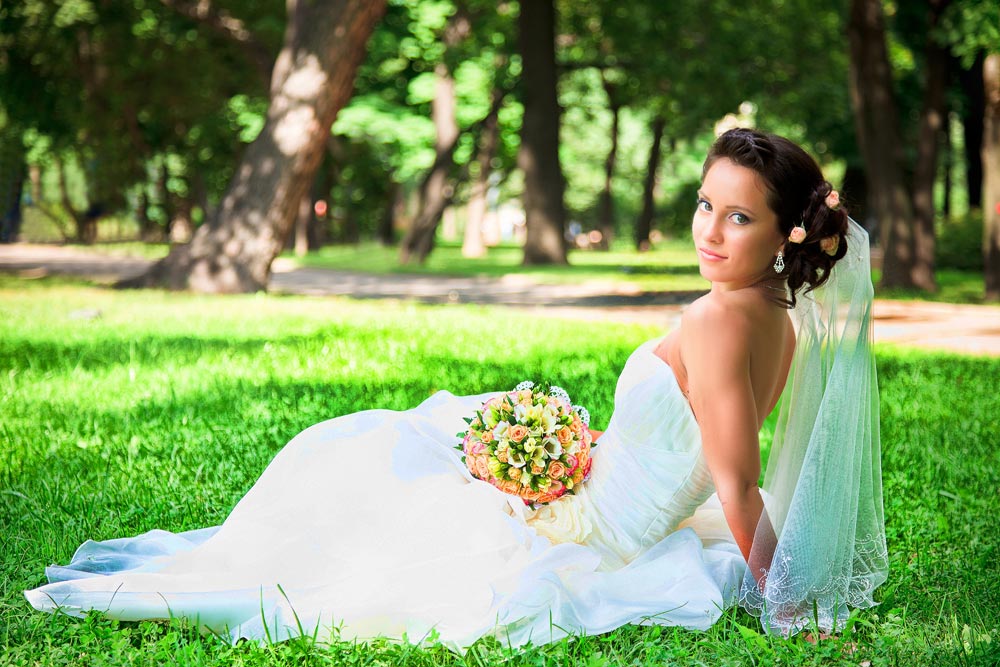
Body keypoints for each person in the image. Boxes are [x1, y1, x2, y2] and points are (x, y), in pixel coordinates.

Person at [25, 129, 886, 651]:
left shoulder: (715, 320)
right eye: (705, 204)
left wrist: (788, 606)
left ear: (783, 230)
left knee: (371, 465)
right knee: (417, 439)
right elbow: (707, 454)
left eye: (738, 216)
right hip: (609, 483)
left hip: (600, 524)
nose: (710, 229)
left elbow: (737, 483)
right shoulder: (780, 311)